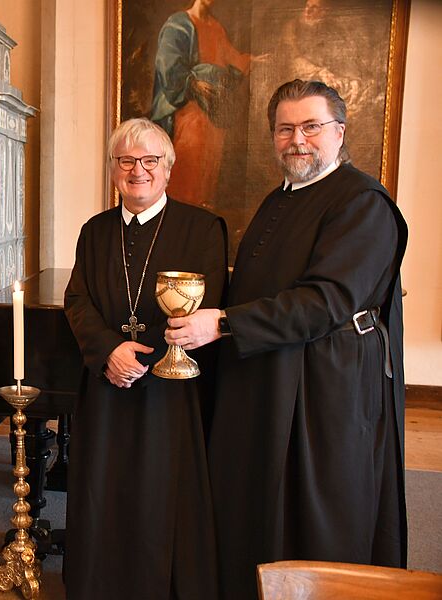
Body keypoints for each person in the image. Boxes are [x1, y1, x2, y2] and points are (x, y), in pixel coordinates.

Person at [166, 79, 408, 600]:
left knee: (313, 509)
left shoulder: (362, 202)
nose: (298, 139)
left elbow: (326, 301)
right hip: (268, 370)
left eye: (311, 126)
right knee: (255, 499)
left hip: (326, 384)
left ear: (339, 132)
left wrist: (223, 323)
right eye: (285, 129)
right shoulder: (280, 197)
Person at [63, 117, 226, 599]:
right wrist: (109, 351)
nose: (138, 170)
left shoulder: (202, 228)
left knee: (160, 492)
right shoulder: (95, 231)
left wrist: (143, 358)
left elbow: (205, 304)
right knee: (102, 489)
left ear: (168, 168)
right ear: (114, 169)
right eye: (127, 161)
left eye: (150, 160)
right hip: (107, 381)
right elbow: (77, 300)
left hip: (168, 389)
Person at [151, 0, 261, 209]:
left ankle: (200, 211)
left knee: (209, 167)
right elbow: (168, 66)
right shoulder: (178, 24)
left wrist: (250, 60)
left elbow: (229, 57)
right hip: (188, 109)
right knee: (189, 160)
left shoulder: (215, 26)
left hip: (211, 107)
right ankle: (179, 210)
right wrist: (194, 84)